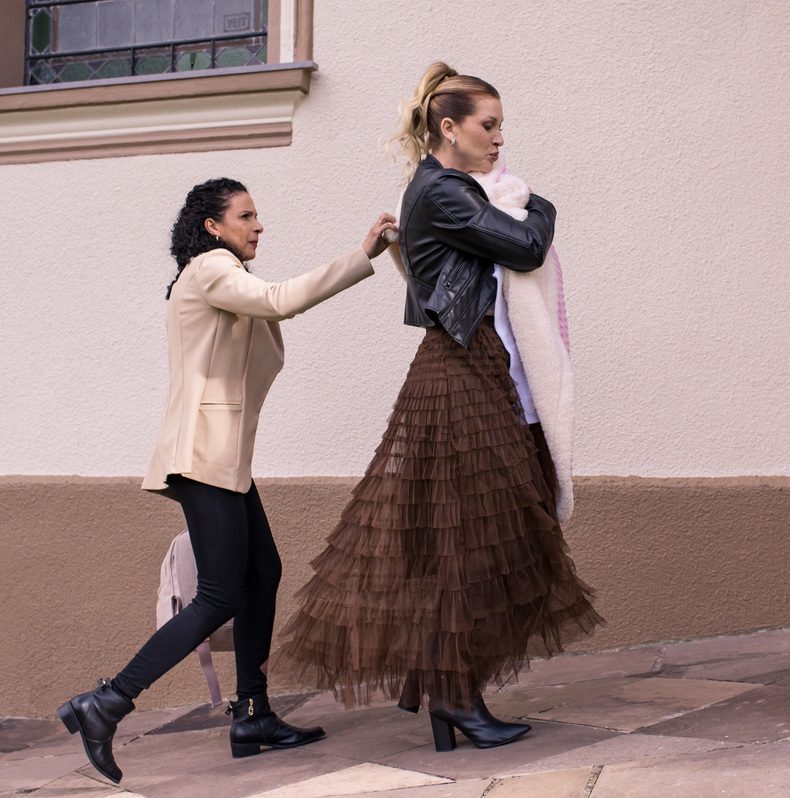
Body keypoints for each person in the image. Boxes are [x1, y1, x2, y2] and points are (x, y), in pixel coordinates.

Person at [278, 63, 604, 752]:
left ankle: (454, 695)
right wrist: (540, 204)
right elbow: (525, 242)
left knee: (492, 533)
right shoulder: (444, 192)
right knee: (476, 541)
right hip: (458, 375)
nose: (498, 139)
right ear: (448, 127)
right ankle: (455, 698)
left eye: (500, 127)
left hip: (478, 370)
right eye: (488, 125)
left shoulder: (450, 188)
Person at [58, 177, 397, 784]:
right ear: (214, 226)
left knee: (262, 573)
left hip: (223, 459)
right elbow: (279, 300)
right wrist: (361, 255)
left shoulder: (221, 274)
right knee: (219, 595)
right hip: (202, 457)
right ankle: (105, 702)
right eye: (246, 216)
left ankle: (251, 712)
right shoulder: (211, 266)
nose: (258, 225)